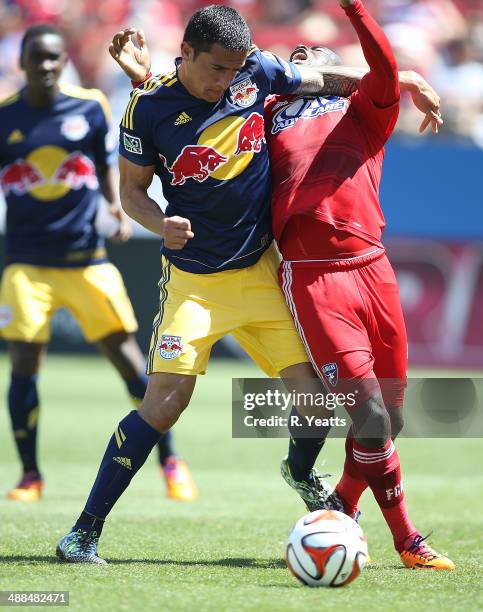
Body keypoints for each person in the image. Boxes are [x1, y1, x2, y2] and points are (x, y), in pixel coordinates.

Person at [55, 4, 379, 564]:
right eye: (216, 69)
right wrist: (160, 223)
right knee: (166, 403)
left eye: (235, 70)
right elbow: (131, 191)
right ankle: (81, 532)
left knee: (317, 403)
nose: (228, 81)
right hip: (195, 284)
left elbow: (326, 78)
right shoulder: (145, 108)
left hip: (259, 273)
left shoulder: (257, 70)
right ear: (185, 54)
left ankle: (300, 474)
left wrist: (399, 80)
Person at [266, 0, 454, 569]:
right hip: (315, 277)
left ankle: (340, 513)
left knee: (388, 420)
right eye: (296, 52)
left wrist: (355, 9)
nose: (302, 53)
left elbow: (379, 63)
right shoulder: (268, 111)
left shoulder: (365, 109)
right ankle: (407, 540)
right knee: (369, 417)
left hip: (374, 268)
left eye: (314, 52)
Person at [0, 24, 197, 505]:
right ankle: (30, 475)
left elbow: (104, 160)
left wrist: (113, 203)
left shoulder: (89, 105)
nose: (45, 66)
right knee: (24, 365)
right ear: (21, 62)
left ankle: (170, 460)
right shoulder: (5, 116)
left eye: (53, 58)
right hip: (26, 262)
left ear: (64, 62)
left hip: (86, 259)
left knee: (130, 362)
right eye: (37, 58)